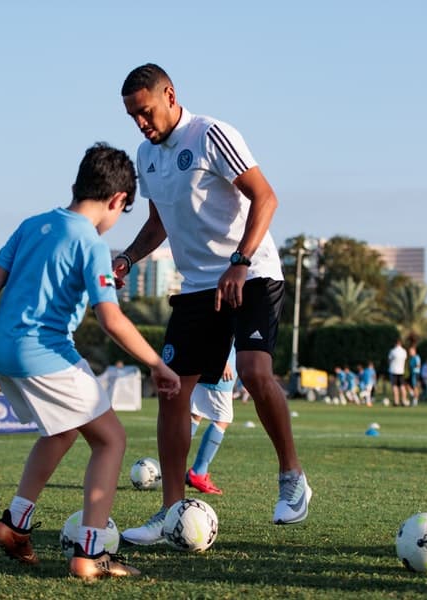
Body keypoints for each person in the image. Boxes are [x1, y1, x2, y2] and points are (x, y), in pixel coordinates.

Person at [0, 143, 180, 580]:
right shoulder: (92, 242)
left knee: (62, 430)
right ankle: (91, 553)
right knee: (111, 439)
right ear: (118, 201)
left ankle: (14, 525)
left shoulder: (32, 224)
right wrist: (157, 363)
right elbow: (111, 319)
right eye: (123, 211)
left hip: (2, 350)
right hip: (45, 351)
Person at [116, 63, 310, 545]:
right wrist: (128, 258)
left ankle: (292, 479)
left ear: (169, 94)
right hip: (199, 286)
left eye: (145, 112)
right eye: (132, 116)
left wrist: (240, 261)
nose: (141, 123)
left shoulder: (211, 134)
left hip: (252, 271)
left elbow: (266, 197)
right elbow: (158, 221)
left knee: (253, 370)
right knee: (170, 390)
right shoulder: (146, 155)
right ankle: (170, 513)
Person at [186, 346, 237, 495]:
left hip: (209, 360)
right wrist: (222, 360)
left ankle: (171, 467)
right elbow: (223, 327)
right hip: (219, 364)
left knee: (195, 413)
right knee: (223, 417)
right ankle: (198, 473)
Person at [387, 339, 408, 407]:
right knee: (402, 386)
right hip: (401, 371)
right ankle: (404, 401)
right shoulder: (404, 351)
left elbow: (389, 360)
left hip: (393, 370)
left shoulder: (393, 351)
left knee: (394, 386)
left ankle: (396, 401)